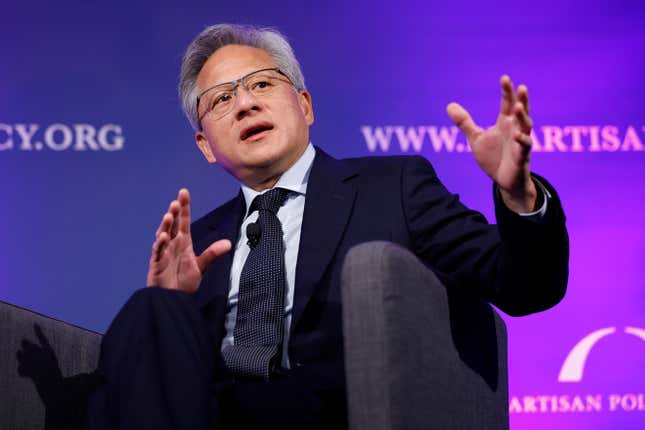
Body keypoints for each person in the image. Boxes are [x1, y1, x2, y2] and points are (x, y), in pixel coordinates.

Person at [85, 24, 568, 430]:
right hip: (210, 412)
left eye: (261, 85)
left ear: (305, 106)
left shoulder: (395, 186)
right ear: (206, 146)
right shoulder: (199, 242)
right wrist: (174, 306)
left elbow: (526, 285)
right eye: (222, 99)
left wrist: (519, 195)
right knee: (149, 311)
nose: (245, 105)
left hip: (333, 410)